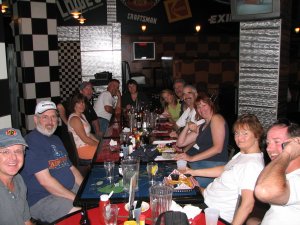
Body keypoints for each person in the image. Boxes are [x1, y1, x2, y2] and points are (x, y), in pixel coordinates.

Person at [185, 114, 265, 224]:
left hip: (214, 214)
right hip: (206, 197)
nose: (239, 138)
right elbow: (224, 169)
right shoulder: (243, 154)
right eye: (237, 133)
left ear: (257, 135)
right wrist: (192, 172)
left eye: (245, 133)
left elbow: (247, 205)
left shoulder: (252, 165)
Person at [20, 101, 83, 223]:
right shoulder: (32, 142)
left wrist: (86, 189)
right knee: (81, 215)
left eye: (53, 116)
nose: (50, 121)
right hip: (44, 198)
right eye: (45, 117)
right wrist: (77, 198)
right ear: (36, 119)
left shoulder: (55, 138)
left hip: (66, 189)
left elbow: (72, 169)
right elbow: (46, 182)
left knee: (98, 199)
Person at [250, 120, 300, 225]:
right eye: (268, 143)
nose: (268, 148)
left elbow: (263, 191)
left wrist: (287, 152)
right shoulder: (283, 173)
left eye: (277, 142)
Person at [175, 92, 229, 187]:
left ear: (211, 105)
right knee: (174, 175)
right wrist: (187, 125)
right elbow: (180, 143)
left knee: (181, 182)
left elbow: (218, 148)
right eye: (198, 107)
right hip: (200, 164)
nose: (201, 109)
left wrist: (191, 158)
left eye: (204, 105)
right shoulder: (203, 125)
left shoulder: (217, 119)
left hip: (214, 167)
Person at [0, 128, 34, 225]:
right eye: (6, 152)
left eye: (18, 151)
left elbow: (26, 221)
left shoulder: (18, 180)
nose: (13, 158)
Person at [68, 93, 99, 160]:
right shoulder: (75, 119)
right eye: (79, 103)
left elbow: (89, 134)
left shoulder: (82, 115)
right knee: (107, 153)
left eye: (83, 102)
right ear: (74, 104)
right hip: (82, 150)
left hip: (88, 145)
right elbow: (85, 139)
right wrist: (99, 146)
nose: (82, 105)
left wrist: (99, 142)